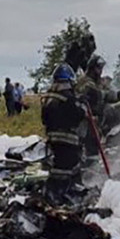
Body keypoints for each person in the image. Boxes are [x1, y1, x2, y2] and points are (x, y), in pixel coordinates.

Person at [42, 63, 85, 205]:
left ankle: (54, 192)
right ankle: (62, 193)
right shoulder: (68, 97)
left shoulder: (48, 96)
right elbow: (77, 116)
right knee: (67, 168)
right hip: (67, 139)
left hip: (52, 138)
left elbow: (44, 118)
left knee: (58, 166)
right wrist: (82, 106)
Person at [76, 56, 120, 156]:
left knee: (93, 149)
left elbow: (109, 95)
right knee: (87, 150)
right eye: (98, 68)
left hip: (95, 123)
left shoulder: (98, 82)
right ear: (92, 68)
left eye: (101, 68)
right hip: (84, 123)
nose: (100, 71)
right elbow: (99, 95)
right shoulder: (85, 82)